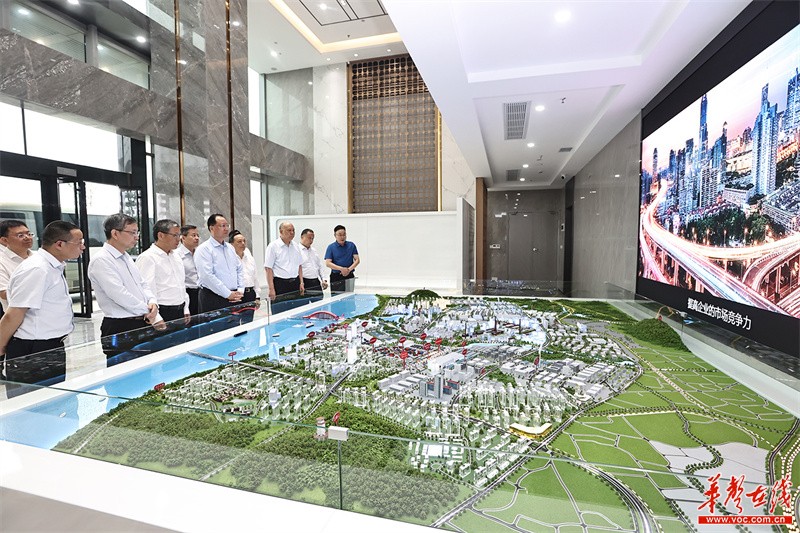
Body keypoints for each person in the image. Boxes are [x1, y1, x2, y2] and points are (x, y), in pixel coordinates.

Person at [0, 221, 84, 385]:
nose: (83, 247)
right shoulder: (37, 268)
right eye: (79, 242)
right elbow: (14, 314)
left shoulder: (51, 266)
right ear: (59, 244)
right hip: (32, 348)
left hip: (50, 345)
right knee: (31, 398)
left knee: (53, 395)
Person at [88, 213, 163, 357]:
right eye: (132, 232)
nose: (136, 237)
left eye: (137, 232)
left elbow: (142, 284)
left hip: (141, 321)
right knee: (123, 367)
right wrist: (148, 310)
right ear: (115, 234)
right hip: (120, 326)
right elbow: (119, 294)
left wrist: (153, 302)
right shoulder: (102, 260)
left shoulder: (126, 257)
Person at [135, 219, 190, 323]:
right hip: (162, 311)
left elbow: (181, 285)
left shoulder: (176, 256)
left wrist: (186, 308)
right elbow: (145, 290)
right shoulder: (148, 257)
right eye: (175, 235)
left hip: (180, 309)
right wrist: (156, 318)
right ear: (160, 235)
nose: (178, 239)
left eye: (179, 235)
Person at [194, 214, 243, 313]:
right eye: (222, 226)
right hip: (213, 297)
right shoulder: (204, 249)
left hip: (234, 296)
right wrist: (227, 294)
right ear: (212, 228)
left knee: (235, 323)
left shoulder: (230, 248)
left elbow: (239, 268)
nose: (226, 229)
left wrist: (240, 290)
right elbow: (206, 276)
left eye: (227, 225)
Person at [0, 219, 35, 313]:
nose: (27, 237)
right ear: (4, 240)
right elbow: (3, 293)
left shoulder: (38, 257)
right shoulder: (2, 261)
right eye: (20, 235)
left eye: (29, 234)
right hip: (19, 316)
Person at [264, 222, 303, 301]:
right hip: (280, 284)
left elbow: (299, 266)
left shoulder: (296, 246)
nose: (292, 233)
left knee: (297, 307)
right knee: (281, 307)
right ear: (281, 231)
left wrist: (301, 282)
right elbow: (268, 269)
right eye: (289, 230)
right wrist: (271, 288)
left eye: (293, 230)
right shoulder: (273, 246)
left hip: (295, 283)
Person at [325, 224, 360, 292]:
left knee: (350, 295)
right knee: (336, 296)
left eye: (344, 234)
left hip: (349, 275)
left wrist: (348, 270)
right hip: (336, 276)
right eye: (340, 235)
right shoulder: (331, 247)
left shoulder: (351, 245)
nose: (342, 237)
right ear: (335, 235)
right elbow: (328, 263)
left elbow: (357, 260)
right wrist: (341, 269)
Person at [229, 230, 258, 303]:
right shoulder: (229, 259)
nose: (243, 243)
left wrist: (257, 295)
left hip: (250, 293)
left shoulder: (249, 258)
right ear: (231, 245)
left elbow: (255, 276)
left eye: (244, 241)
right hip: (236, 294)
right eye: (239, 241)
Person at [178, 224, 201, 316]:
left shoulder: (200, 252)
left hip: (202, 292)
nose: (197, 238)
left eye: (198, 235)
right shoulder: (177, 255)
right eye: (193, 235)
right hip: (188, 293)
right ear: (183, 238)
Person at [298, 228, 328, 292]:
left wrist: (324, 279)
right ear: (302, 237)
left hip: (315, 281)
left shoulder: (314, 251)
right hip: (304, 282)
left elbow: (320, 266)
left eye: (312, 238)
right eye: (309, 238)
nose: (311, 241)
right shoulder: (297, 250)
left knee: (320, 298)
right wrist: (301, 283)